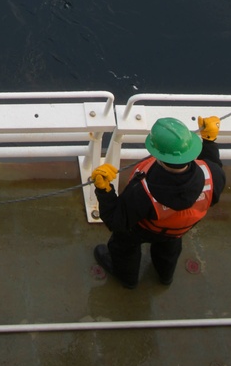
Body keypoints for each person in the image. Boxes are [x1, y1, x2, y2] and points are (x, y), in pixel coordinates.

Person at [90, 114, 224, 289]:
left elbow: (116, 221)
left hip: (144, 229)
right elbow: (212, 164)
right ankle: (165, 276)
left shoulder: (143, 191)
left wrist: (104, 190)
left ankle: (127, 278)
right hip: (178, 230)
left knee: (123, 245)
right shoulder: (213, 174)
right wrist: (209, 141)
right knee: (169, 248)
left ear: (157, 154)